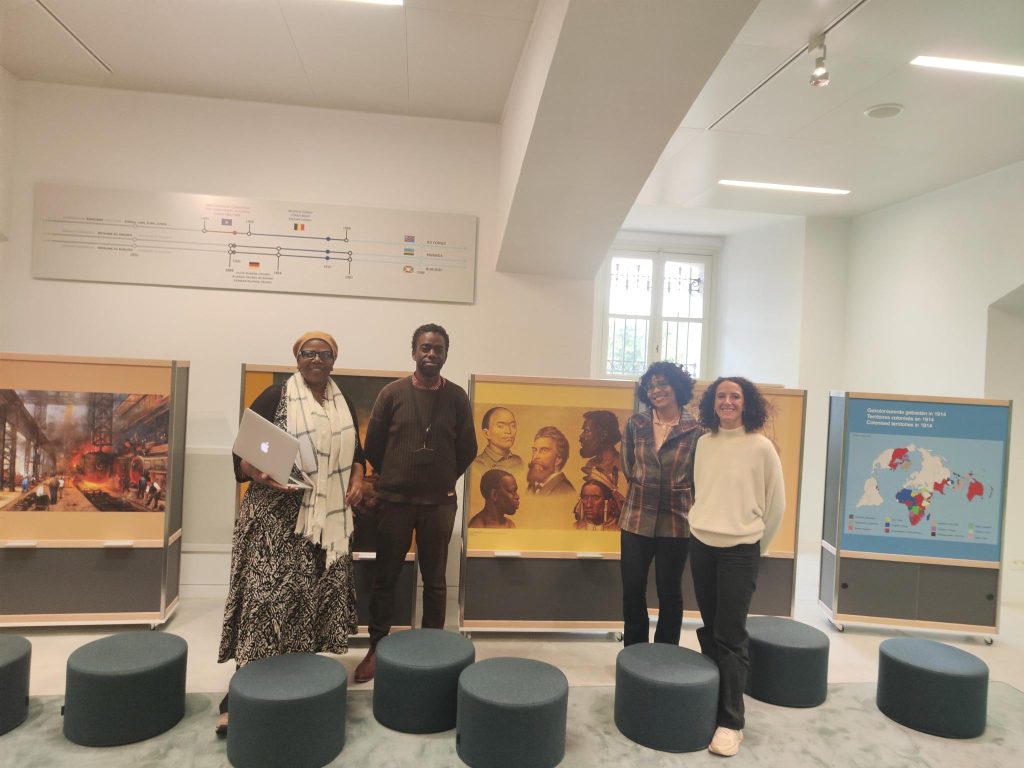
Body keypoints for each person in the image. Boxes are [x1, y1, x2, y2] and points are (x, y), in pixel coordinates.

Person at [217, 331, 366, 737]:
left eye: (324, 354)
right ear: (297, 358)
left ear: (333, 360)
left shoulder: (342, 402)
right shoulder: (276, 395)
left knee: (306, 602)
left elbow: (357, 453)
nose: (316, 359)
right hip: (273, 519)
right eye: (308, 353)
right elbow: (243, 450)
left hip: (323, 524)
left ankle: (296, 688)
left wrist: (358, 477)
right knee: (264, 602)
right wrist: (257, 472)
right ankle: (241, 696)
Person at [354, 324, 476, 683]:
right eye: (425, 348)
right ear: (413, 352)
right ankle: (377, 647)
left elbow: (467, 448)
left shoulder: (456, 397)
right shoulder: (392, 394)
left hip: (439, 503)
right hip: (394, 501)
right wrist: (396, 476)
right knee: (386, 577)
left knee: (435, 580)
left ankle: (432, 648)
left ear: (446, 355)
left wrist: (443, 477)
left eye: (438, 349)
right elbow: (373, 446)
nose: (431, 354)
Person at [689, 376, 784, 757]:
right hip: (702, 545)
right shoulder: (703, 443)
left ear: (747, 404)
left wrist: (755, 548)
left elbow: (776, 505)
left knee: (730, 635)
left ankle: (731, 722)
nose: (727, 402)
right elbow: (701, 492)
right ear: (712, 403)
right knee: (711, 627)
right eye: (721, 396)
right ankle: (714, 702)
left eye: (735, 396)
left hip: (740, 551)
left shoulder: (761, 447)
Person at [619, 361, 703, 647]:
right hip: (636, 517)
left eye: (662, 384)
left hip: (676, 520)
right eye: (651, 386)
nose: (656, 390)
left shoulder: (696, 429)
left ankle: (666, 652)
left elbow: (698, 476)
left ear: (677, 387)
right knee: (633, 588)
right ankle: (635, 651)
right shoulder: (636, 423)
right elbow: (628, 466)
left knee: (669, 591)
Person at [579, 410, 623, 492]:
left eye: (586, 431)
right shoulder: (591, 464)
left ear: (603, 435)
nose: (581, 436)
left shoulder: (622, 465)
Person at [526, 426, 575, 496]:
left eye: (544, 450)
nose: (535, 456)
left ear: (558, 459)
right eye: (535, 450)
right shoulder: (532, 487)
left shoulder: (564, 490)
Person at [471, 406, 523, 472]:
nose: (508, 431)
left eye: (513, 425)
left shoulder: (519, 462)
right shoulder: (476, 465)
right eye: (500, 426)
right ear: (486, 433)